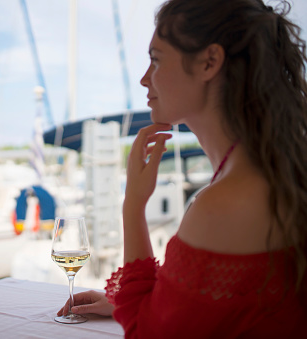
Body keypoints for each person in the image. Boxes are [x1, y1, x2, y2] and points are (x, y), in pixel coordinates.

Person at [57, 0, 307, 337]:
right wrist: (136, 300)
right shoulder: (273, 169)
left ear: (209, 62)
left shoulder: (227, 201)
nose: (145, 79)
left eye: (156, 60)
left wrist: (133, 205)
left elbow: (147, 333)